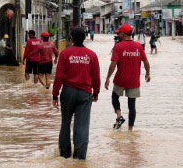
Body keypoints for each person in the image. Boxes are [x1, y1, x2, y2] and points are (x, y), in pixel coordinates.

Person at [52, 27, 101, 160]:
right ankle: (79, 157)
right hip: (85, 94)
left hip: (68, 92)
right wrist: (96, 92)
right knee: (82, 126)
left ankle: (65, 154)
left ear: (71, 38)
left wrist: (55, 94)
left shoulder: (65, 53)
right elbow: (96, 77)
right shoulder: (92, 55)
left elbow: (59, 76)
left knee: (65, 123)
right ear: (84, 37)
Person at [105, 24, 150, 131]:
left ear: (123, 34)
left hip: (120, 79)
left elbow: (113, 64)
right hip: (134, 81)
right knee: (132, 106)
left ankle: (119, 116)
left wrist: (107, 78)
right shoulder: (139, 46)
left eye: (118, 33)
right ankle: (130, 130)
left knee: (114, 97)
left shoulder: (118, 46)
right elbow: (146, 62)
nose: (117, 35)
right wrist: (148, 73)